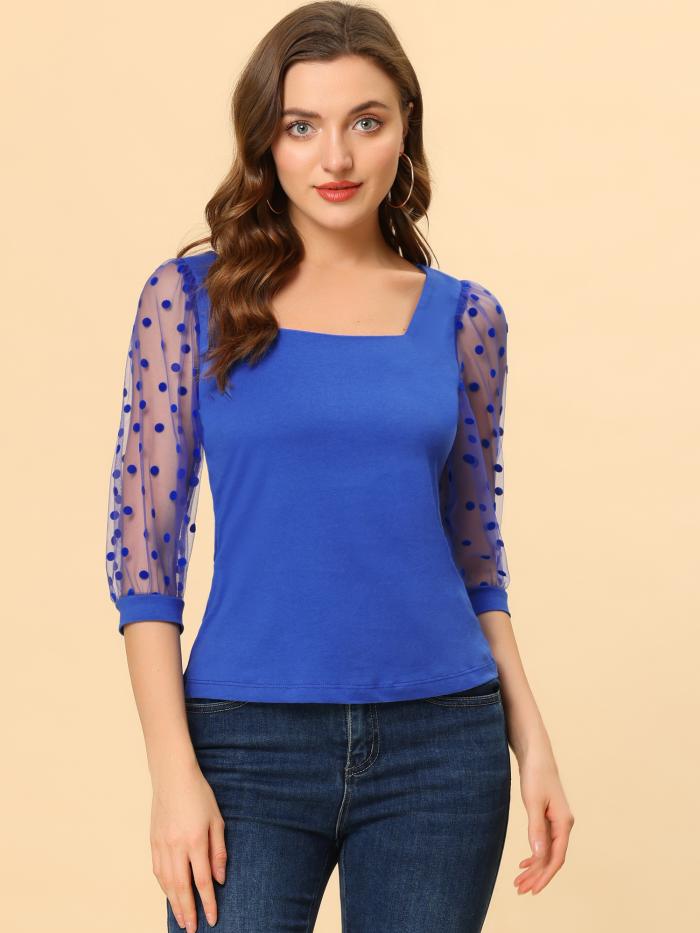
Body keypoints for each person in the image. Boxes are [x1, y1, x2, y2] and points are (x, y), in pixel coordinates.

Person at [105, 3, 574, 931]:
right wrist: (172, 772)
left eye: (366, 121)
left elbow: (475, 551)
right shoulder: (188, 302)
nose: (337, 158)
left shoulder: (465, 318)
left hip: (441, 745)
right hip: (244, 744)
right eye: (302, 126)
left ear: (405, 129)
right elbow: (144, 556)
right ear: (266, 141)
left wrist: (534, 740)